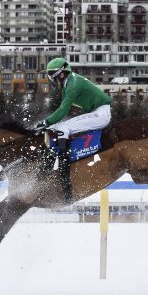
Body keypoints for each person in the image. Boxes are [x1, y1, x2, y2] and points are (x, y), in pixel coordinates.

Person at [40, 58, 113, 201]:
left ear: (61, 74)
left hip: (101, 113)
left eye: (53, 78)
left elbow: (63, 110)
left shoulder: (72, 84)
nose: (53, 82)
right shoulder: (70, 82)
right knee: (58, 128)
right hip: (98, 112)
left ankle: (64, 168)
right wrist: (49, 124)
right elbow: (65, 109)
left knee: (62, 128)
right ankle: (62, 157)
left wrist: (45, 122)